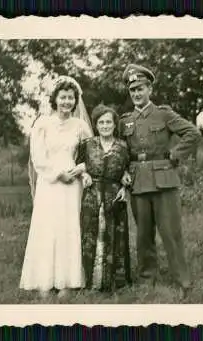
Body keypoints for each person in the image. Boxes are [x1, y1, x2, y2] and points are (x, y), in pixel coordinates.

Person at [118, 64, 201, 299]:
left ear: (149, 88)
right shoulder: (125, 121)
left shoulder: (164, 114)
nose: (136, 94)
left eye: (140, 88)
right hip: (138, 182)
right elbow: (121, 150)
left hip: (164, 180)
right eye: (132, 90)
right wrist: (123, 172)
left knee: (171, 233)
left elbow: (193, 133)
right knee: (143, 234)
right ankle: (147, 279)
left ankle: (182, 280)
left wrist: (175, 155)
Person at [20, 76, 93, 297]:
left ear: (75, 100)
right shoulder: (42, 123)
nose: (67, 102)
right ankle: (44, 280)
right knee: (47, 228)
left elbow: (92, 154)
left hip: (72, 184)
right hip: (50, 182)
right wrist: (57, 174)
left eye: (71, 98)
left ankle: (67, 282)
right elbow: (37, 157)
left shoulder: (80, 126)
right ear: (55, 99)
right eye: (63, 97)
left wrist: (79, 170)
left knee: (68, 228)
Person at [76, 104, 132, 292]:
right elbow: (79, 165)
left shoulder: (123, 146)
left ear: (115, 124)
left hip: (115, 196)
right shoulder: (87, 144)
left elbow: (129, 169)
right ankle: (91, 281)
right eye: (101, 122)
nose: (105, 125)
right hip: (92, 195)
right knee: (91, 236)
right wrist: (84, 175)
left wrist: (126, 186)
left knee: (115, 236)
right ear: (96, 124)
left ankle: (115, 282)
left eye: (109, 122)